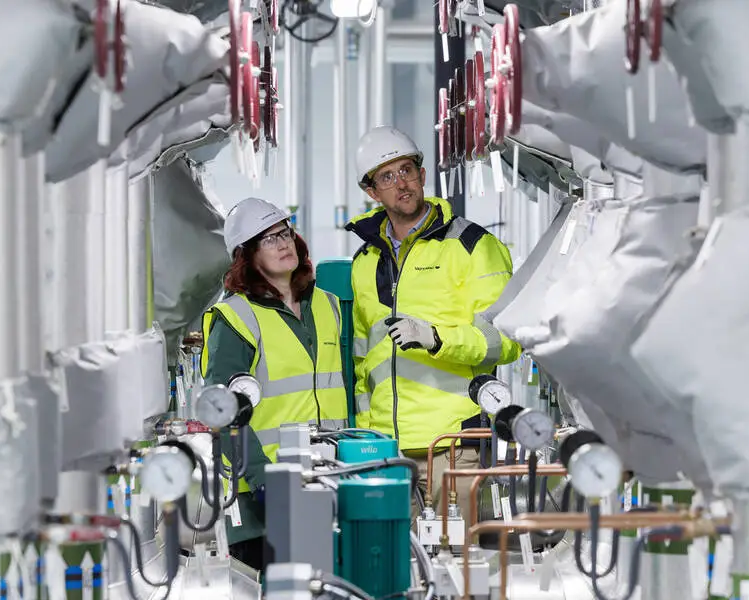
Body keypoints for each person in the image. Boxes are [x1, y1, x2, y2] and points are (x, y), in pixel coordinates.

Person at [345, 126, 521, 524]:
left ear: (423, 175)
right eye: (386, 177)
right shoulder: (364, 262)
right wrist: (367, 432)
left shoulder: (473, 246)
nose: (401, 184)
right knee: (393, 565)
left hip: (453, 444)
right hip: (386, 449)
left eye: (406, 170)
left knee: (459, 565)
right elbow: (362, 355)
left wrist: (436, 339)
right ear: (372, 192)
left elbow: (506, 341)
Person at [201, 197, 348, 572]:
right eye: (268, 239)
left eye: (285, 233)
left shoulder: (328, 306)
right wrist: (264, 479)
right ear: (246, 256)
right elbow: (222, 411)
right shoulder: (235, 318)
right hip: (260, 497)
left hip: (327, 480)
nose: (283, 243)